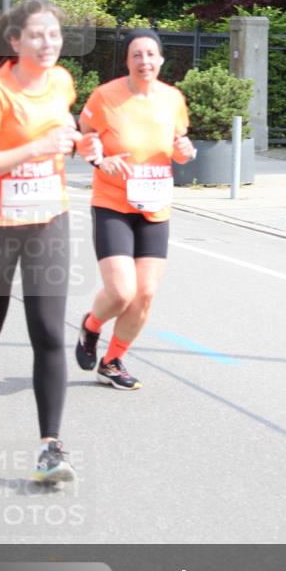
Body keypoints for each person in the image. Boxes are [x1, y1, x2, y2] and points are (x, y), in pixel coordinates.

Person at [0, 0, 98, 482]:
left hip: (48, 217)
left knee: (49, 332)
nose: (47, 43)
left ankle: (51, 447)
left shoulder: (63, 81)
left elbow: (64, 134)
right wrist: (38, 146)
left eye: (53, 34)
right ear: (15, 42)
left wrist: (83, 145)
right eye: (36, 35)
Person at [75, 28, 195, 389]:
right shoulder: (105, 96)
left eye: (150, 55)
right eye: (136, 55)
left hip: (155, 207)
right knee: (121, 292)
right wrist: (100, 161)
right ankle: (91, 326)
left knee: (144, 295)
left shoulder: (173, 99)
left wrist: (185, 153)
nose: (144, 61)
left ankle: (112, 362)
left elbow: (178, 145)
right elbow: (86, 136)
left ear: (160, 59)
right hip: (113, 202)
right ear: (127, 61)